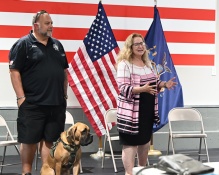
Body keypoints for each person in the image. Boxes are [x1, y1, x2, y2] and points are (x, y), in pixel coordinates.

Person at [9, 10, 68, 175]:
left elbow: (64, 71)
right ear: (36, 25)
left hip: (56, 103)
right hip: (32, 104)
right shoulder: (23, 44)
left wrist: (64, 95)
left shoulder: (57, 45)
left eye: (51, 23)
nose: (51, 26)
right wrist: (21, 98)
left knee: (51, 140)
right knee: (29, 141)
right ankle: (26, 172)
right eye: (47, 23)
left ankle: (46, 171)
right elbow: (14, 72)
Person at [116, 33, 177, 175]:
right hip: (131, 113)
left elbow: (154, 83)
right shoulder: (124, 64)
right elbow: (123, 88)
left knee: (144, 142)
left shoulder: (147, 64)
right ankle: (129, 173)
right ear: (130, 47)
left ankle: (141, 170)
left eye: (142, 43)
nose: (141, 46)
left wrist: (164, 84)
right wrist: (141, 89)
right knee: (130, 143)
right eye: (137, 44)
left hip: (147, 111)